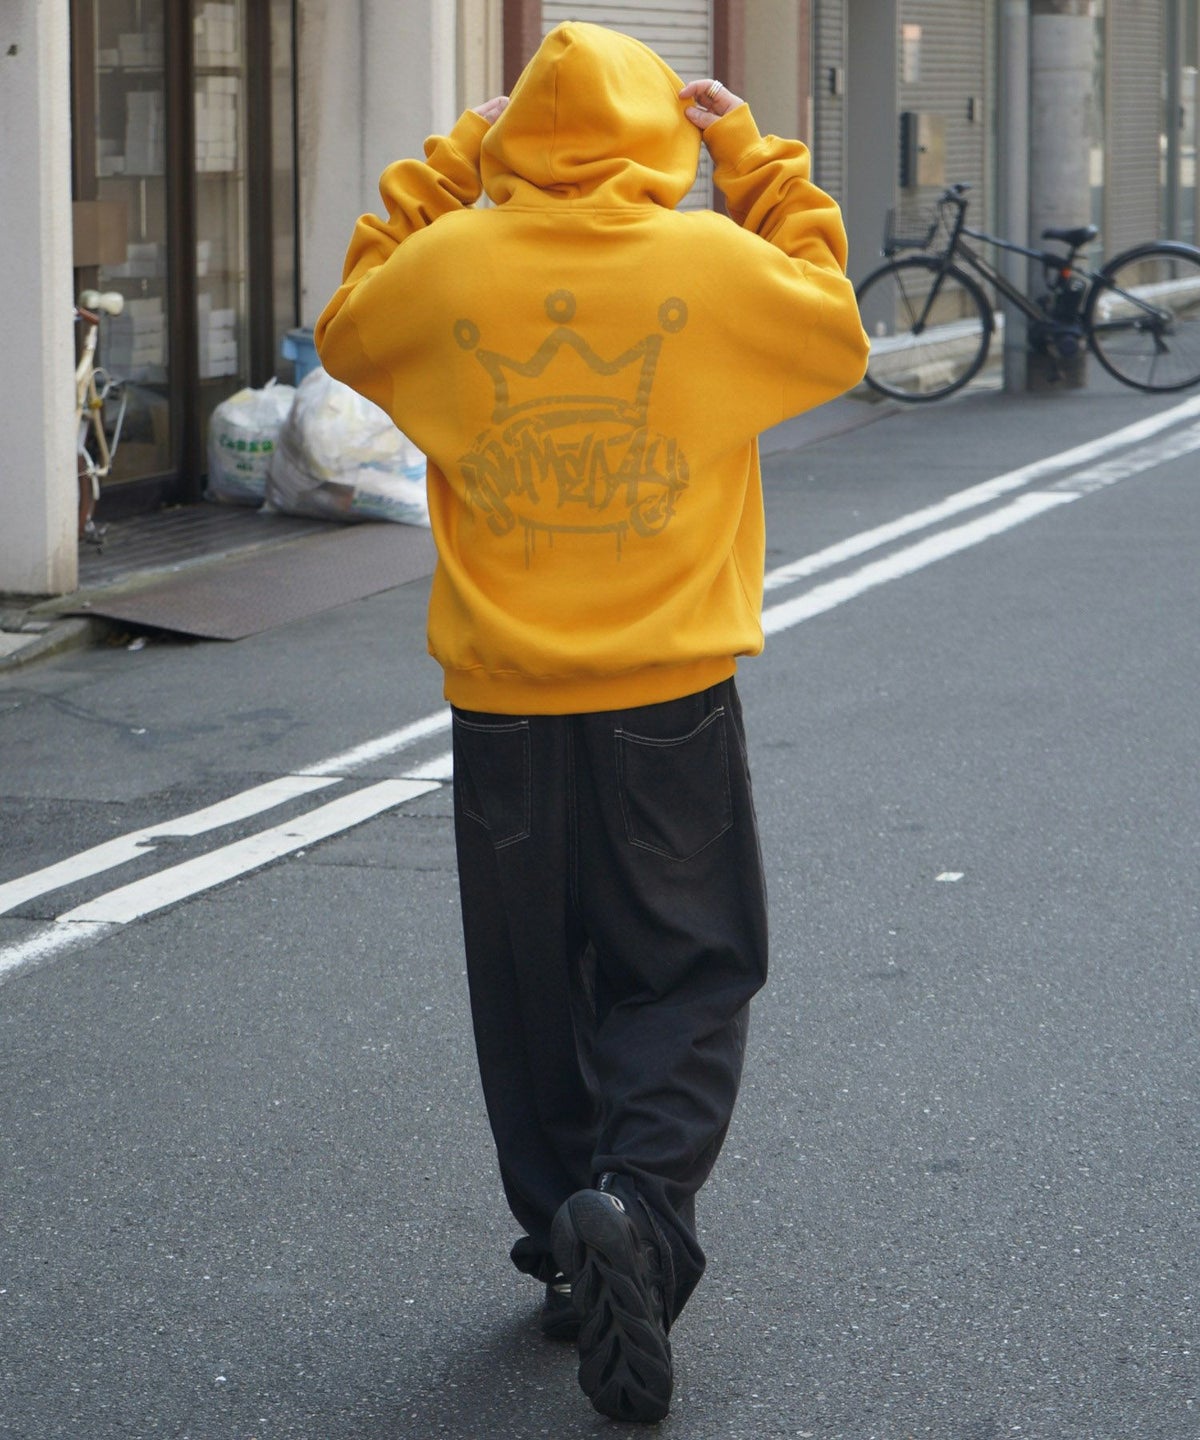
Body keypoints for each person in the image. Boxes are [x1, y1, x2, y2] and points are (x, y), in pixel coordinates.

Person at [316, 21, 868, 1425]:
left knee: (529, 990)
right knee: (685, 969)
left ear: (514, 139)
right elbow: (834, 319)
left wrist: (457, 156)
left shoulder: (448, 268)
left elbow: (348, 319)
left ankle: (569, 1244)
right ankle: (638, 1211)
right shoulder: (709, 263)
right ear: (656, 134)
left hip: (501, 706)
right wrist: (750, 154)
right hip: (668, 696)